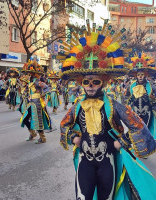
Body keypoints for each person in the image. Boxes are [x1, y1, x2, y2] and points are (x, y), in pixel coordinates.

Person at [58, 20, 156, 200]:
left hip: (107, 161)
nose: (90, 86)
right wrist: (74, 137)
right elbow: (64, 125)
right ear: (81, 83)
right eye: (86, 82)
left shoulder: (114, 105)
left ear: (103, 82)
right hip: (85, 160)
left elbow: (138, 125)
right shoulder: (77, 105)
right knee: (83, 197)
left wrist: (122, 142)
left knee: (106, 198)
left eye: (95, 81)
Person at [20, 60, 51, 144]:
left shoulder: (37, 82)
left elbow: (47, 88)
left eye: (29, 73)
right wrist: (26, 95)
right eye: (27, 73)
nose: (27, 75)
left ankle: (42, 137)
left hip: (37, 103)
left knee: (37, 120)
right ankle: (32, 133)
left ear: (33, 74)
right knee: (25, 119)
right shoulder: (30, 82)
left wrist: (43, 95)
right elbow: (26, 91)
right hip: (31, 103)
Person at [126, 52, 156, 139]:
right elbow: (127, 98)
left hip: (147, 111)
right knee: (136, 128)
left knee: (146, 127)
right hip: (135, 110)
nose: (140, 77)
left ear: (145, 75)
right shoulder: (131, 86)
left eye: (142, 75)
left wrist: (152, 100)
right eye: (138, 75)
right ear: (136, 75)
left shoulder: (151, 86)